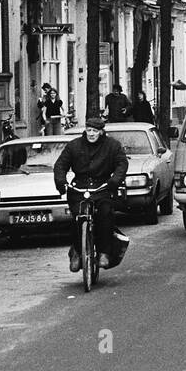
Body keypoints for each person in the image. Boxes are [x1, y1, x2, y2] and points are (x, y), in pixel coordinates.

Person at [54, 116, 128, 272]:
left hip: (102, 187)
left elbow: (122, 163)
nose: (91, 134)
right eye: (89, 130)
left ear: (101, 132)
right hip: (79, 188)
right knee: (75, 218)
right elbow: (60, 165)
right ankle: (76, 252)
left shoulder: (112, 146)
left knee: (105, 215)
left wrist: (114, 181)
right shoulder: (74, 146)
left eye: (95, 131)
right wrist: (61, 182)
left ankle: (104, 253)